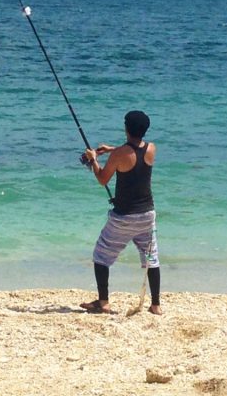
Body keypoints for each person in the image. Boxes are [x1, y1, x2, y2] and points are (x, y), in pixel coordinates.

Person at [80, 109, 161, 315]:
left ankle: (103, 302)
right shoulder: (152, 148)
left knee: (101, 255)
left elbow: (102, 179)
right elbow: (134, 151)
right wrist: (110, 149)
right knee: (151, 259)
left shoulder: (119, 154)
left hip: (124, 217)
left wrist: (93, 160)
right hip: (147, 215)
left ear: (126, 128)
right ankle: (156, 305)